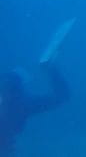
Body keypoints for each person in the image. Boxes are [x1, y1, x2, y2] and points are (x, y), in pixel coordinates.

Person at [1, 21, 72, 156]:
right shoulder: (21, 105)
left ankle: (49, 67)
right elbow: (62, 96)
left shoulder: (19, 105)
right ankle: (49, 67)